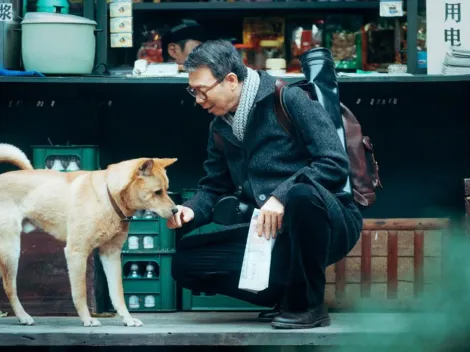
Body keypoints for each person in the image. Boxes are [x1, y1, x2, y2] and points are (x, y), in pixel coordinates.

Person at [168, 39, 363, 329]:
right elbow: (213, 186)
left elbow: (333, 162)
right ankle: (288, 294)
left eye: (202, 90)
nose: (198, 99)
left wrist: (280, 196)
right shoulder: (220, 126)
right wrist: (191, 211)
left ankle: (309, 306)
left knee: (300, 195)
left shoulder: (288, 99)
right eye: (192, 90)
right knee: (186, 263)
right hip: (268, 231)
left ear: (231, 80)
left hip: (326, 220)